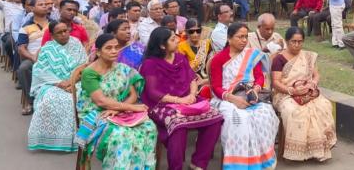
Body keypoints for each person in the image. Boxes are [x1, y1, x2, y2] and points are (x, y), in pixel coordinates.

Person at [141, 27, 224, 170]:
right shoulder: (150, 64)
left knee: (215, 117)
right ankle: (176, 167)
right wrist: (180, 101)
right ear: (162, 45)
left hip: (187, 99)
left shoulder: (179, 58)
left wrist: (192, 95)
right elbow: (153, 92)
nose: (178, 40)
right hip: (161, 104)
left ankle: (198, 163)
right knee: (178, 125)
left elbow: (192, 78)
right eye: (173, 39)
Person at [75, 34, 157, 169]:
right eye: (108, 48)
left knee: (149, 128)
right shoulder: (89, 73)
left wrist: (118, 109)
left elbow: (133, 95)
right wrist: (132, 108)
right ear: (99, 52)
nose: (114, 51)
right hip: (95, 113)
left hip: (117, 110)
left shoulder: (122, 68)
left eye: (116, 47)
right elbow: (101, 101)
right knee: (121, 135)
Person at [208, 23, 279, 170]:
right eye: (240, 37)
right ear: (229, 38)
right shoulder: (218, 59)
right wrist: (234, 99)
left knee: (265, 115)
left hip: (250, 95)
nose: (244, 40)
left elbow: (259, 77)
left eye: (246, 37)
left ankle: (261, 162)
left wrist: (255, 89)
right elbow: (215, 87)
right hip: (226, 98)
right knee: (239, 121)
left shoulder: (251, 55)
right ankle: (238, 165)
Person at [271, 27, 337, 162]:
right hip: (285, 94)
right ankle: (297, 152)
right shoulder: (279, 59)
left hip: (307, 92)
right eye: (293, 41)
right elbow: (276, 83)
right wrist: (292, 91)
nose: (296, 45)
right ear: (287, 41)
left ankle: (318, 149)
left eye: (300, 42)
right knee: (295, 111)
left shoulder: (307, 56)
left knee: (324, 106)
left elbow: (316, 74)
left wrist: (313, 83)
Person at [27, 21, 88, 151]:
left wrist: (72, 82)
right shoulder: (47, 49)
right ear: (52, 35)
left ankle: (79, 138)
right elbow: (40, 71)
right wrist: (60, 83)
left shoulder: (76, 44)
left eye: (66, 31)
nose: (64, 34)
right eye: (59, 33)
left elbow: (84, 66)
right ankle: (52, 139)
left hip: (77, 82)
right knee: (52, 99)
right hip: (53, 84)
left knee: (81, 98)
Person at [16, 0, 50, 115]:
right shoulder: (25, 27)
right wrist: (32, 57)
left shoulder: (54, 24)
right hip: (33, 57)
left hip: (52, 56)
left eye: (46, 4)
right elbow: (21, 48)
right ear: (32, 8)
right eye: (41, 5)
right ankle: (31, 101)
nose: (45, 6)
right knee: (23, 68)